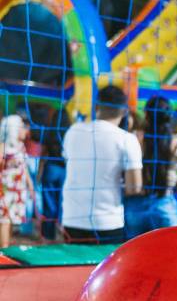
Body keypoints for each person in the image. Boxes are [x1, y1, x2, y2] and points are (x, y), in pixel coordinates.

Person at [61, 86, 143, 244]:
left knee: (73, 260)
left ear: (96, 106)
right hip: (108, 221)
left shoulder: (73, 131)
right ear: (124, 111)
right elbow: (134, 188)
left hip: (72, 218)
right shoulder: (127, 139)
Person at [124, 96, 177, 238]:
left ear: (146, 114)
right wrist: (174, 184)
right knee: (168, 249)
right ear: (170, 116)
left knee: (135, 250)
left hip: (135, 206)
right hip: (165, 204)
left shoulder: (133, 139)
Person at [37, 104, 71, 240]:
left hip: (50, 168)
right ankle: (61, 234)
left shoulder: (50, 131)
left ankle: (47, 236)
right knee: (63, 204)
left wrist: (39, 172)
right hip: (64, 170)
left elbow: (43, 153)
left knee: (49, 205)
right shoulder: (70, 133)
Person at [0, 114, 34, 248]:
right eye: (22, 127)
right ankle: (4, 249)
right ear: (13, 129)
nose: (25, 130)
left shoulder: (21, 146)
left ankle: (7, 247)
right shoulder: (3, 147)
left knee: (11, 220)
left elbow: (23, 167)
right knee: (5, 219)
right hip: (5, 189)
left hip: (18, 189)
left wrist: (30, 184)